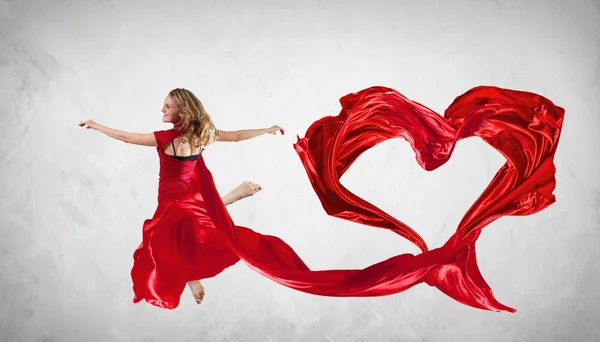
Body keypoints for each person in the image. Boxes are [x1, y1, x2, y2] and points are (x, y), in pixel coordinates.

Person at [79, 88, 284, 308]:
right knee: (189, 234)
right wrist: (266, 129)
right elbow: (236, 136)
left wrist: (98, 126)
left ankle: (231, 200)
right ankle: (192, 273)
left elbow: (127, 138)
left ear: (182, 110)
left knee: (167, 243)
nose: (162, 109)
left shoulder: (166, 138)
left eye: (168, 106)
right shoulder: (203, 135)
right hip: (189, 197)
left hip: (172, 201)